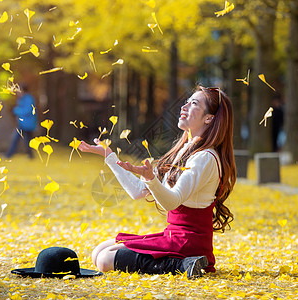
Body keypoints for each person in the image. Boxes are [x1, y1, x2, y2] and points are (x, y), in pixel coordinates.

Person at [79, 86, 236, 278]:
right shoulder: (185, 150)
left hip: (190, 243)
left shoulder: (205, 158)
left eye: (193, 103)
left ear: (209, 118)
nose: (184, 106)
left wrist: (152, 179)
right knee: (99, 252)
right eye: (186, 101)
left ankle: (184, 265)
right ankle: (183, 262)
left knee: (104, 260)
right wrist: (109, 155)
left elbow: (172, 201)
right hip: (174, 235)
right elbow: (137, 191)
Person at [5, 84, 37, 158]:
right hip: (22, 123)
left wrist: (16, 110)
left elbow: (28, 110)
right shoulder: (21, 99)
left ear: (23, 90)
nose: (17, 92)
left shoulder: (29, 99)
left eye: (18, 90)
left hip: (27, 123)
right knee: (21, 140)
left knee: (25, 140)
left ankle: (9, 154)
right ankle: (10, 154)